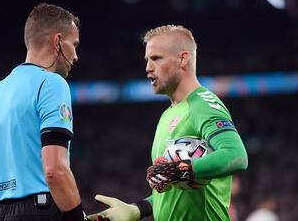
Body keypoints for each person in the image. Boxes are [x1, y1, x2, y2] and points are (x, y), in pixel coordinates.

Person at [87, 25, 248, 221]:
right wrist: (136, 209)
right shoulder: (167, 115)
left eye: (156, 58)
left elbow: (236, 156)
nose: (148, 67)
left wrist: (179, 169)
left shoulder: (202, 104)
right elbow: (173, 189)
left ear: (183, 58)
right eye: (147, 60)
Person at [0, 3, 85, 221]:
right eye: (74, 44)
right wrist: (76, 217)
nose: (75, 56)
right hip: (41, 211)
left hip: (0, 214)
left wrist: (15, 197)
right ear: (57, 41)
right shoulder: (52, 83)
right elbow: (55, 171)